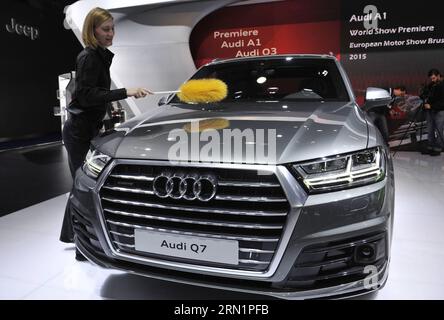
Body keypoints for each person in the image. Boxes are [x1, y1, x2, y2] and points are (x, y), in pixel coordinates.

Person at [59, 7, 152, 259]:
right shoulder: (89, 57)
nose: (111, 34)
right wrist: (125, 92)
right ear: (93, 30)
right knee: (82, 186)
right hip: (78, 131)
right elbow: (86, 96)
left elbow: (92, 96)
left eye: (113, 28)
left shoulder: (99, 56)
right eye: (106, 29)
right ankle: (82, 247)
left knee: (83, 185)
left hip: (86, 128)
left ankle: (74, 237)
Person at [422, 69, 444, 156]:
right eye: (431, 78)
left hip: (439, 111)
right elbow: (426, 95)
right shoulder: (431, 85)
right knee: (430, 129)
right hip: (429, 111)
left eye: (434, 78)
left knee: (439, 130)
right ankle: (430, 147)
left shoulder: (442, 85)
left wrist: (432, 106)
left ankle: (438, 148)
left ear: (438, 75)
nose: (432, 80)